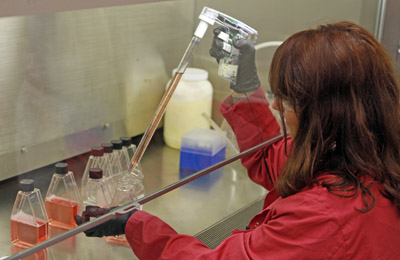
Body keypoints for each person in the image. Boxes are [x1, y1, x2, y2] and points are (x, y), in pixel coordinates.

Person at [75, 21, 400, 259]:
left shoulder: (324, 217)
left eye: (288, 101)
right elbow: (272, 157)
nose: (275, 106)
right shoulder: (367, 158)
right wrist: (243, 83)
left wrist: (136, 223)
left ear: (326, 114)